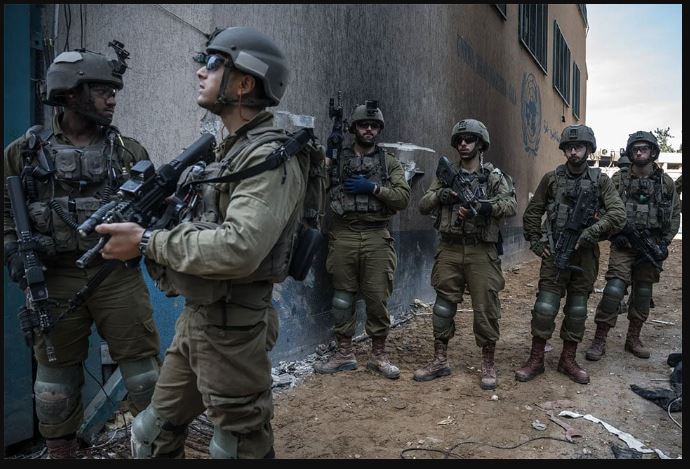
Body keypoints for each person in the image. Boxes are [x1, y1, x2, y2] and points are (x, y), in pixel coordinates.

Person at [95, 26, 315, 459]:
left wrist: (147, 241)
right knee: (151, 434)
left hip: (235, 330)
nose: (200, 71)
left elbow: (239, 248)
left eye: (213, 64)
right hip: (198, 319)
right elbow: (211, 221)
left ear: (244, 83)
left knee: (237, 446)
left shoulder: (268, 157)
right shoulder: (230, 151)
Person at [3, 46, 160, 458]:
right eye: (103, 91)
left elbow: (154, 213)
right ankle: (61, 453)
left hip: (116, 276)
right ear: (71, 93)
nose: (112, 100)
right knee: (53, 386)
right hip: (54, 277)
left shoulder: (129, 152)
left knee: (145, 376)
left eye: (114, 92)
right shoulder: (24, 153)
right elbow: (5, 213)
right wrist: (14, 252)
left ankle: (158, 450)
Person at [515, 124, 626, 385]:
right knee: (545, 307)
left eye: (579, 147)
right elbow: (533, 211)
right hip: (556, 252)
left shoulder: (601, 181)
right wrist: (535, 241)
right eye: (569, 147)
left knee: (577, 309)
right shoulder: (552, 179)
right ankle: (536, 359)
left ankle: (568, 359)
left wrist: (592, 232)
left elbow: (618, 214)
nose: (573, 152)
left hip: (585, 256)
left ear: (588, 149)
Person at [413, 119, 517, 390]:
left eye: (469, 139)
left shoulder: (493, 176)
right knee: (443, 306)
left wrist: (484, 208)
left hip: (481, 250)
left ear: (480, 144)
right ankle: (440, 359)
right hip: (449, 247)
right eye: (459, 140)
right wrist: (442, 196)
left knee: (486, 308)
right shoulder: (446, 175)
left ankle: (488, 363)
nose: (463, 144)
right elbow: (423, 205)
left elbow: (510, 204)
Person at [313, 101, 410, 380]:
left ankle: (379, 355)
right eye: (364, 125)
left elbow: (403, 198)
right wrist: (324, 162)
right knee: (342, 297)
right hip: (343, 234)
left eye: (374, 126)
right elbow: (317, 185)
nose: (369, 129)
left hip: (377, 235)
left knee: (377, 297)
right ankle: (344, 353)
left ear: (379, 130)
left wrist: (374, 188)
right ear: (353, 128)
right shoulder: (337, 160)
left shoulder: (388, 162)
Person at [585, 131, 680, 362]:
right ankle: (600, 338)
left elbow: (674, 215)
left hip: (650, 246)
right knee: (614, 289)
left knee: (643, 293)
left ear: (653, 152)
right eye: (635, 149)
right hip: (623, 245)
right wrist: (613, 234)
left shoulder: (665, 183)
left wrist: (664, 243)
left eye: (644, 148)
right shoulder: (618, 180)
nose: (639, 152)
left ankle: (633, 338)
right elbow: (601, 210)